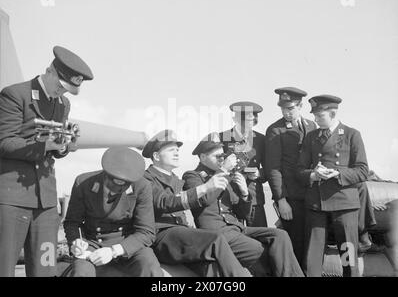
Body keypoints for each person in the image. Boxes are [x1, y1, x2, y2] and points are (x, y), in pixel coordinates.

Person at [0, 46, 93, 277]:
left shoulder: (62, 104)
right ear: (49, 71)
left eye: (67, 90)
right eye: (61, 85)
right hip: (12, 199)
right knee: (4, 266)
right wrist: (45, 146)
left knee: (46, 266)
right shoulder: (15, 94)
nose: (62, 92)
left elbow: (54, 149)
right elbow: (5, 142)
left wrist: (63, 146)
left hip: (47, 203)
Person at [182, 133, 304, 277]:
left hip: (237, 228)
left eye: (223, 156)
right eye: (218, 157)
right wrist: (224, 171)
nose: (222, 160)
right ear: (203, 157)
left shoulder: (224, 175)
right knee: (260, 250)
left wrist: (245, 194)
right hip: (216, 233)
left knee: (280, 236)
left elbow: (242, 214)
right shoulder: (192, 176)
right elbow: (205, 200)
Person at [142, 130, 251, 277]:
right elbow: (165, 202)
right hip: (162, 235)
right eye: (171, 150)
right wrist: (205, 187)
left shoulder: (175, 179)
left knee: (213, 268)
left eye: (177, 150)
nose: (176, 153)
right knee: (216, 239)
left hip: (181, 234)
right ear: (155, 156)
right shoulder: (146, 179)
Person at [297, 95, 369, 277]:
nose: (315, 119)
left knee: (348, 257)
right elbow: (299, 170)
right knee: (311, 259)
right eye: (314, 115)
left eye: (320, 115)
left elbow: (362, 171)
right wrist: (313, 174)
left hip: (344, 205)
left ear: (333, 113)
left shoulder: (352, 135)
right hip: (316, 204)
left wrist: (338, 173)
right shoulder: (311, 137)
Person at [63, 147, 163, 277]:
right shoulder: (83, 183)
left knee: (150, 267)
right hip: (92, 244)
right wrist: (76, 242)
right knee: (81, 272)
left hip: (128, 243)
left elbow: (146, 232)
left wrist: (113, 251)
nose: (118, 189)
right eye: (115, 182)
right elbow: (72, 222)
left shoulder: (142, 186)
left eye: (124, 184)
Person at [264, 87, 317, 266]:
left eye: (291, 108)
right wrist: (281, 199)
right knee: (296, 244)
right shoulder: (275, 130)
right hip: (291, 198)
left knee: (312, 243)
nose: (286, 112)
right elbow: (273, 168)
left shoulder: (312, 126)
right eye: (283, 109)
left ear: (301, 106)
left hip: (311, 194)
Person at [219, 101, 267, 227]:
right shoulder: (222, 138)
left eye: (251, 121)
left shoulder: (261, 140)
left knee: (261, 238)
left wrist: (259, 173)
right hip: (230, 196)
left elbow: (270, 168)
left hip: (253, 197)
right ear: (235, 119)